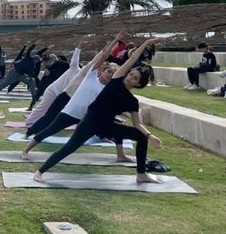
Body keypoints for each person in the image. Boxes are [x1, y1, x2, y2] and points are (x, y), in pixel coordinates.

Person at [33, 37, 164, 184]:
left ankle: (141, 174)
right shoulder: (116, 79)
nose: (130, 77)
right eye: (131, 74)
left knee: (141, 137)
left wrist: (150, 136)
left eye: (134, 78)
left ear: (139, 84)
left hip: (107, 126)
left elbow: (138, 124)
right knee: (69, 147)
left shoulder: (132, 101)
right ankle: (40, 172)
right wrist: (146, 44)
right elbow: (132, 59)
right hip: (89, 122)